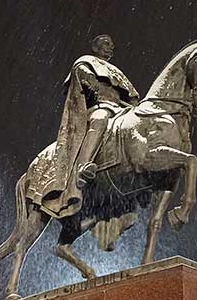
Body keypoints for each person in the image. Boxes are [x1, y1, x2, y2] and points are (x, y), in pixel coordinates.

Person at [39, 34, 139, 217]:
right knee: (100, 119)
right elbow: (83, 74)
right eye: (106, 44)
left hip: (119, 110)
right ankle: (83, 166)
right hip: (98, 107)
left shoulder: (117, 71)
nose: (110, 47)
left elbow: (132, 95)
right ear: (95, 47)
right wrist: (92, 82)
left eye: (112, 45)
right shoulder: (86, 61)